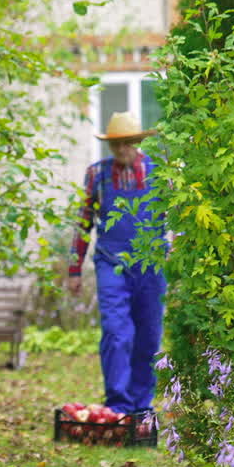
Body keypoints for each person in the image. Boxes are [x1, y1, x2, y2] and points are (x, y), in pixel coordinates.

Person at [67, 112, 166, 415]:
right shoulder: (96, 174)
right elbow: (83, 224)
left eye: (126, 144)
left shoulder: (159, 173)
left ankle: (140, 405)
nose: (121, 150)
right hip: (111, 264)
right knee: (116, 331)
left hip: (151, 265)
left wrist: (174, 244)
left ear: (137, 142)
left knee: (149, 335)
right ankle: (119, 404)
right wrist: (74, 270)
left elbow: (174, 218)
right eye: (116, 145)